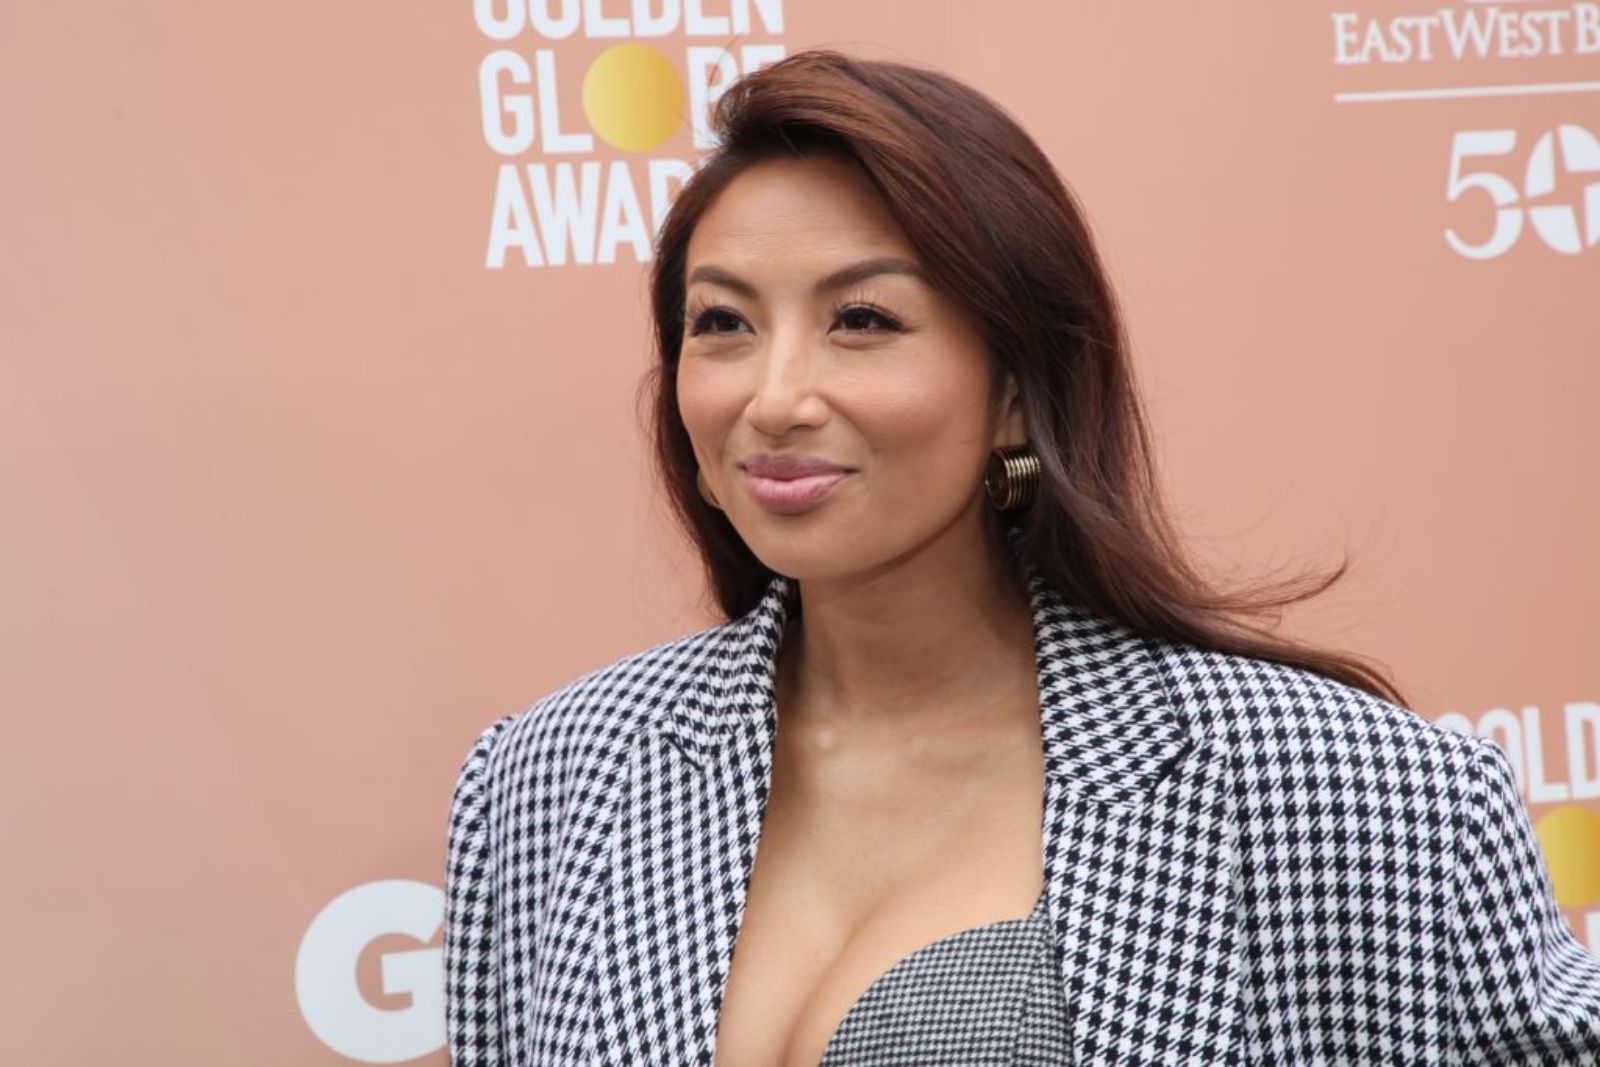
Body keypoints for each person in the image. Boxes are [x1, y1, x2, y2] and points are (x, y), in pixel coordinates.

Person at [443, 48, 1600, 1066]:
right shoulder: (548, 779)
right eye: (723, 323)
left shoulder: (1347, 795)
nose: (774, 396)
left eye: (862, 320)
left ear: (1013, 390)